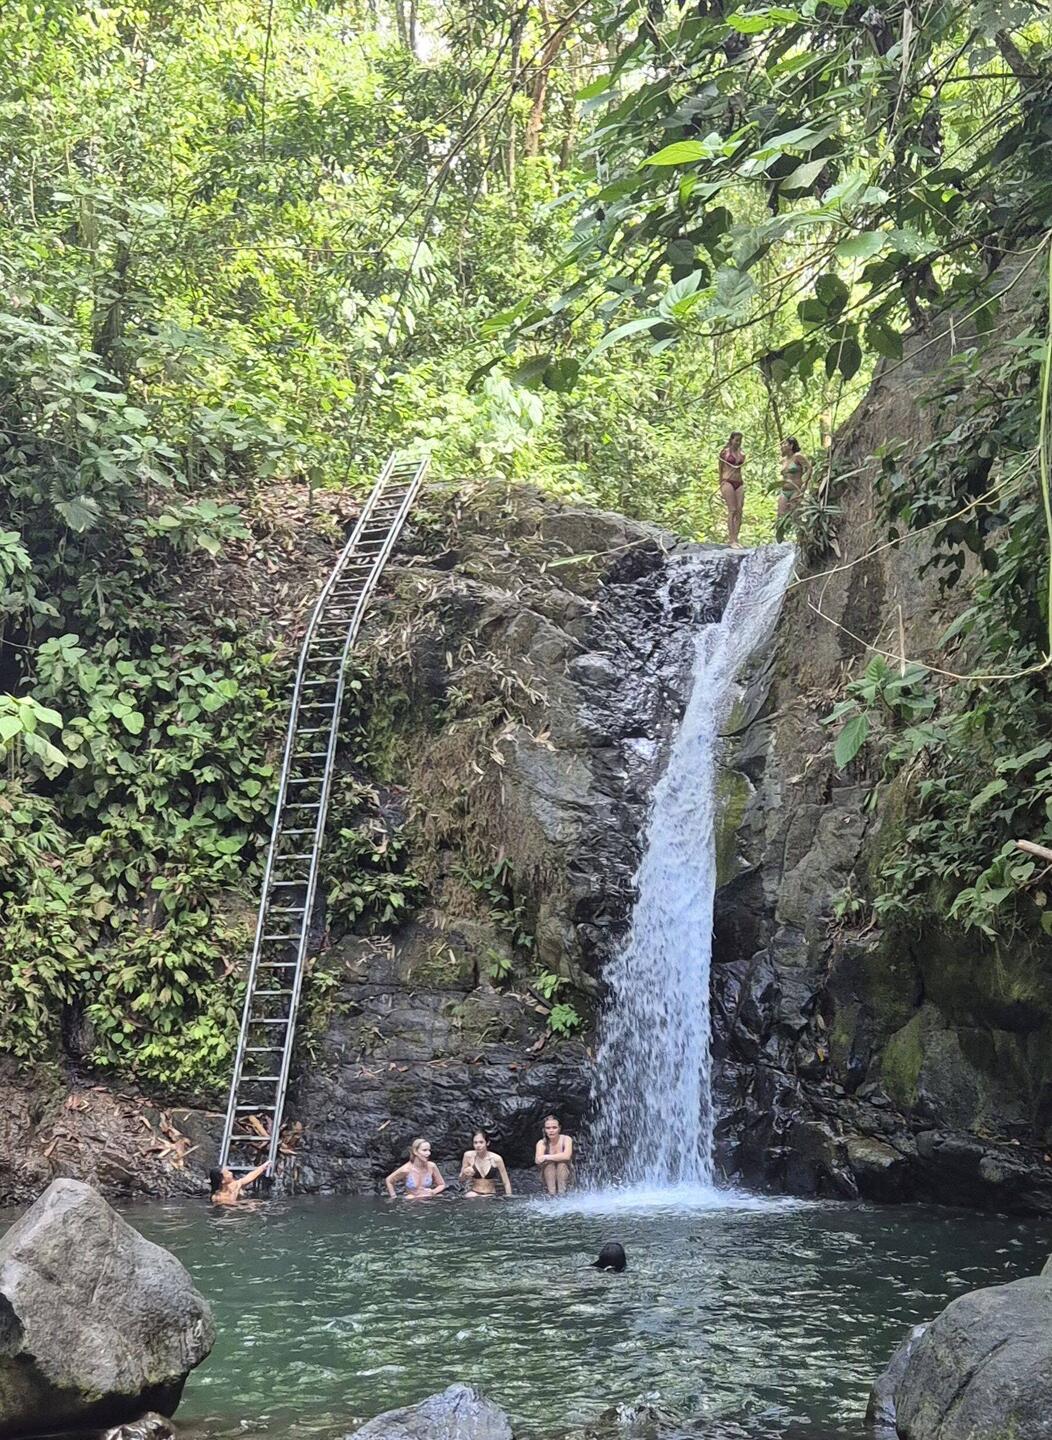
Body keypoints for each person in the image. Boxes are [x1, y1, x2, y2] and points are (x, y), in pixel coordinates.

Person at [459, 1130, 512, 1198]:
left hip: (490, 1194)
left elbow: (506, 1182)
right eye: (475, 1143)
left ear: (487, 1143)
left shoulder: (497, 1159)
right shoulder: (468, 1156)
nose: (478, 1145)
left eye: (481, 1142)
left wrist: (509, 1197)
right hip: (474, 1193)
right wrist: (464, 1172)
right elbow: (461, 1180)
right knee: (469, 1195)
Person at [718, 431, 746, 547]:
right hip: (727, 481)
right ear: (731, 440)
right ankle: (731, 539)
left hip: (739, 482)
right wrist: (721, 483)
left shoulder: (742, 454)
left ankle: (736, 538)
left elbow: (739, 469)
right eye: (736, 440)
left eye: (740, 440)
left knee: (739, 510)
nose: (738, 443)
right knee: (732, 510)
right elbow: (720, 468)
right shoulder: (724, 453)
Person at [535, 1114, 574, 1196]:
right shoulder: (542, 1143)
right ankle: (551, 1195)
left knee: (561, 1165)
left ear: (559, 1128)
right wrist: (556, 1158)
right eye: (548, 1128)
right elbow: (538, 1160)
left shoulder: (566, 1139)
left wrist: (546, 1157)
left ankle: (562, 1194)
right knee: (550, 1165)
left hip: (566, 1173)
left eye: (554, 1127)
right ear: (544, 1130)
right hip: (547, 1175)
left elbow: (566, 1156)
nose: (551, 1130)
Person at [778, 435, 813, 524]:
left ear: (791, 445)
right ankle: (782, 537)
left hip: (796, 490)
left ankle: (799, 536)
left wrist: (805, 484)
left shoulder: (798, 456)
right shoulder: (783, 460)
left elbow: (809, 469)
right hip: (784, 491)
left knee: (795, 516)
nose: (782, 446)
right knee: (781, 516)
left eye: (784, 444)